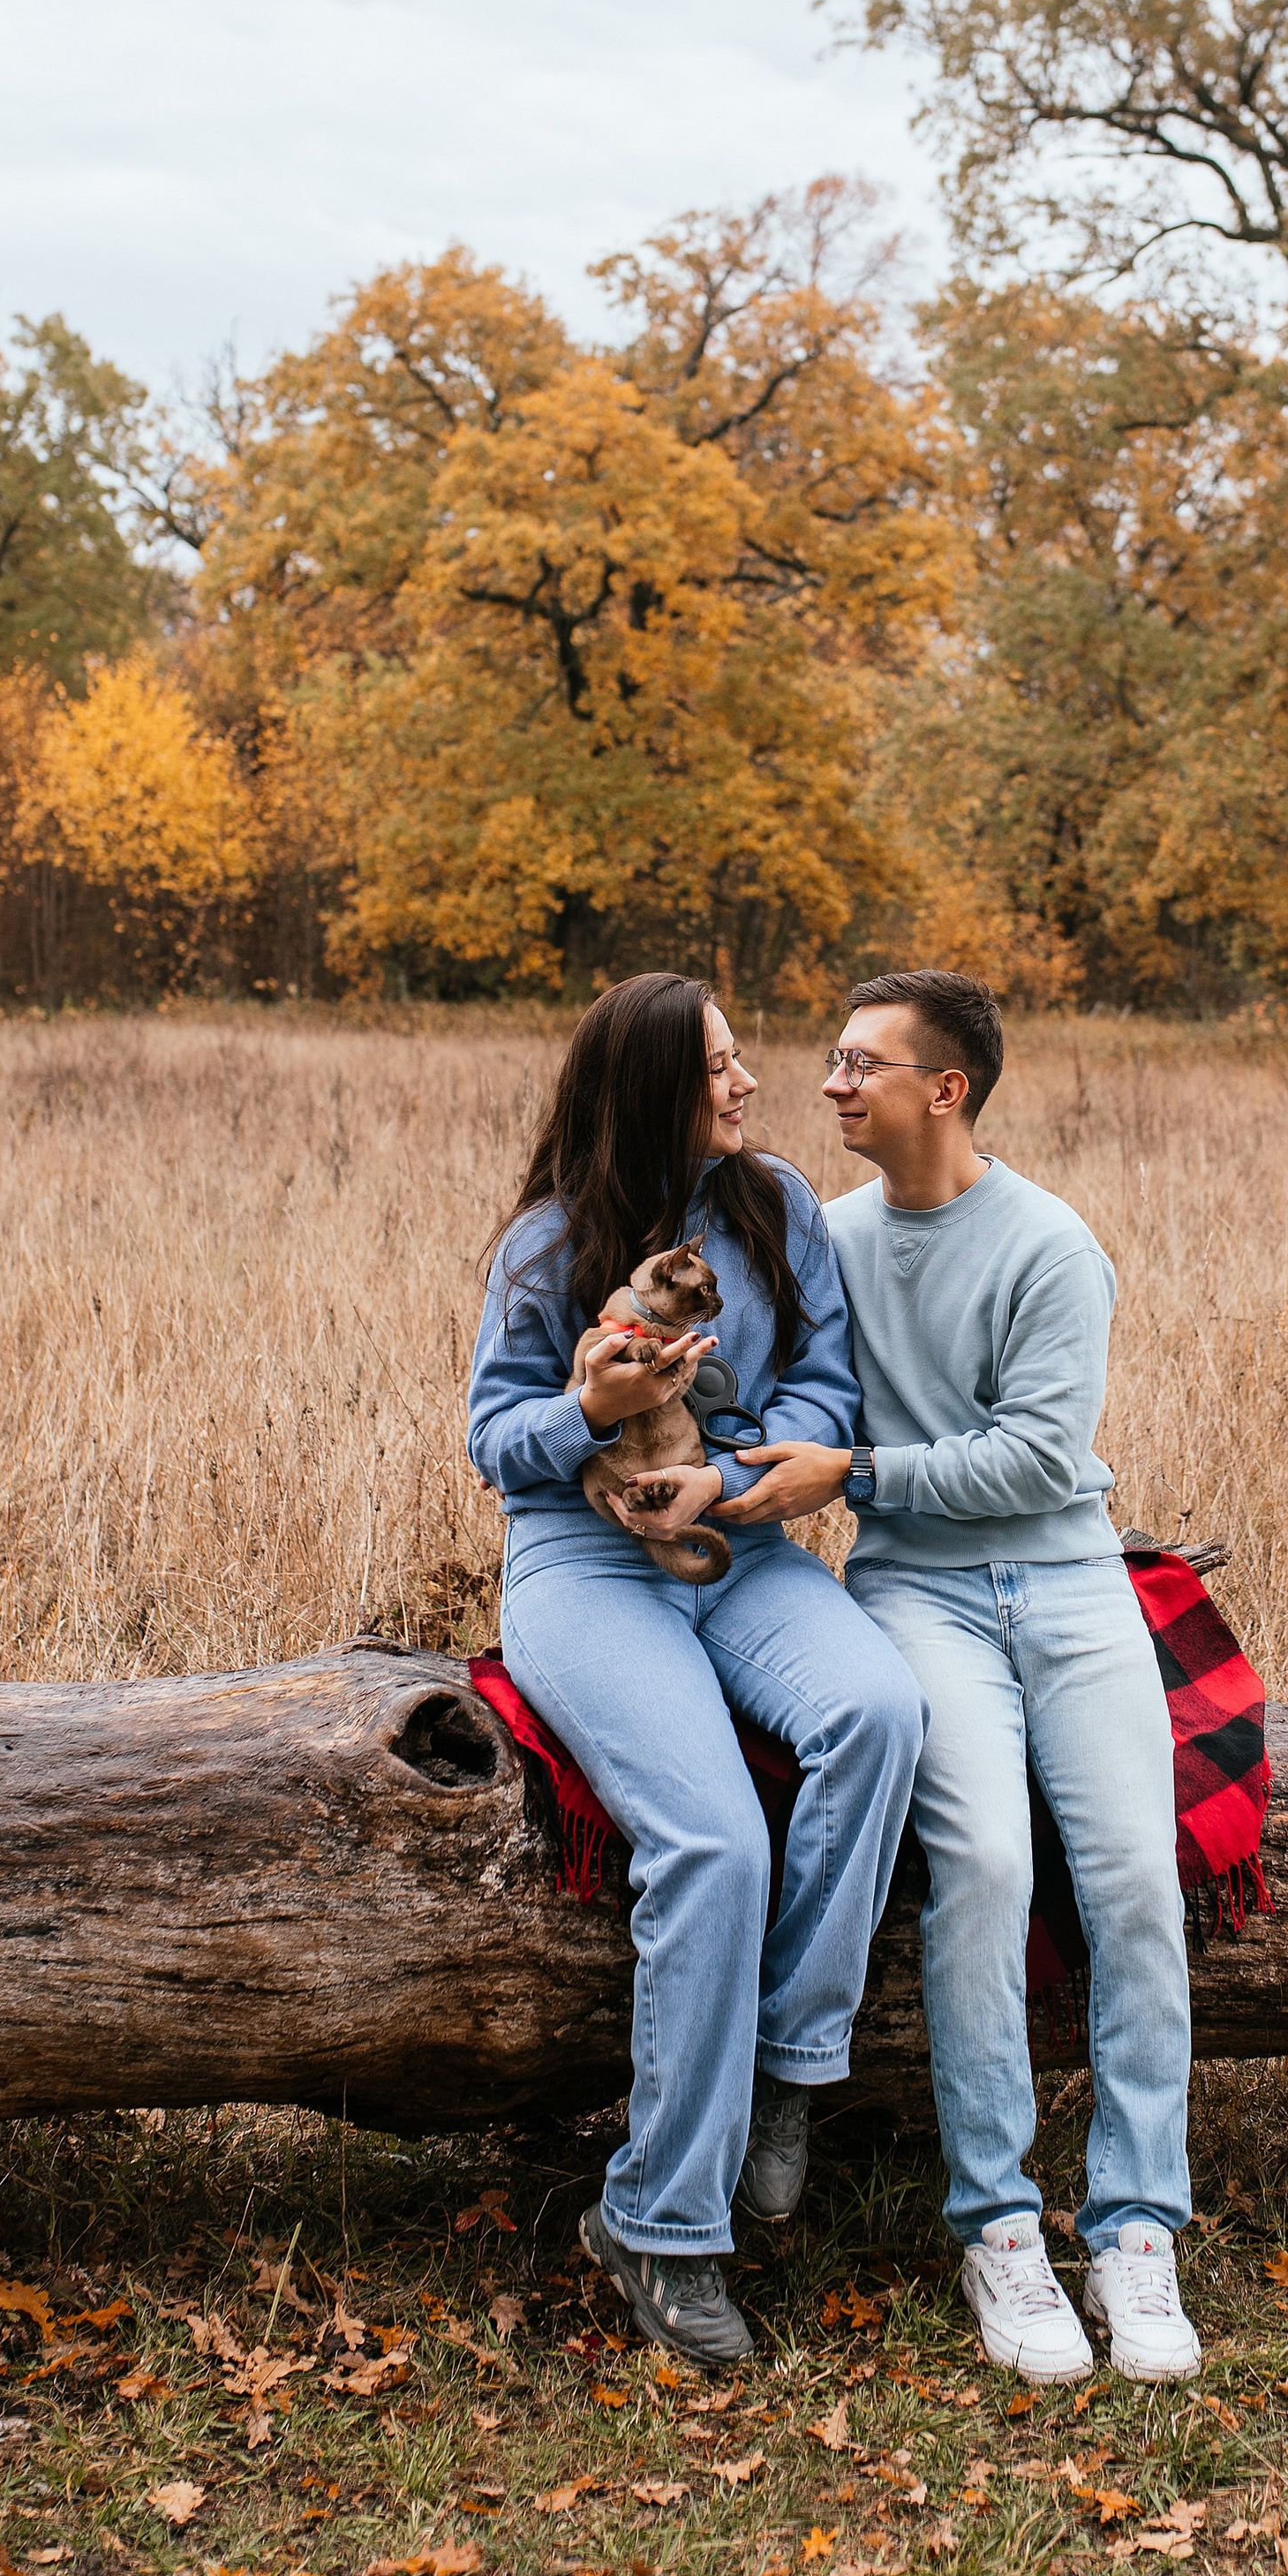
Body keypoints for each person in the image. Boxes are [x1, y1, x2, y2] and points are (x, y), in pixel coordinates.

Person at [719, 969, 1198, 2385]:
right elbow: (780, 1389)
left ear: (948, 1089)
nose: (831, 1084)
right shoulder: (829, 1241)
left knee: (1135, 1881)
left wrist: (853, 1470)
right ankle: (1000, 2229)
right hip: (915, 1588)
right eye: (832, 1059)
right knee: (983, 1862)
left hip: (1066, 1581)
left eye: (863, 1063)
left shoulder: (1050, 1246)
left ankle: (1136, 2227)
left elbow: (1046, 1459)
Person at [467, 972, 924, 2372]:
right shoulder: (550, 1246)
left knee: (879, 1709)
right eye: (718, 1066)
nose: (746, 1084)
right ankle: (661, 2226)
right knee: (716, 1840)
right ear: (651, 1088)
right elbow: (496, 1441)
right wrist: (590, 1414)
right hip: (583, 1563)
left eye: (740, 1060)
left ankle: (790, 2069)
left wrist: (725, 1481)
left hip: (737, 1545)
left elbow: (826, 1403)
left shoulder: (778, 1209)